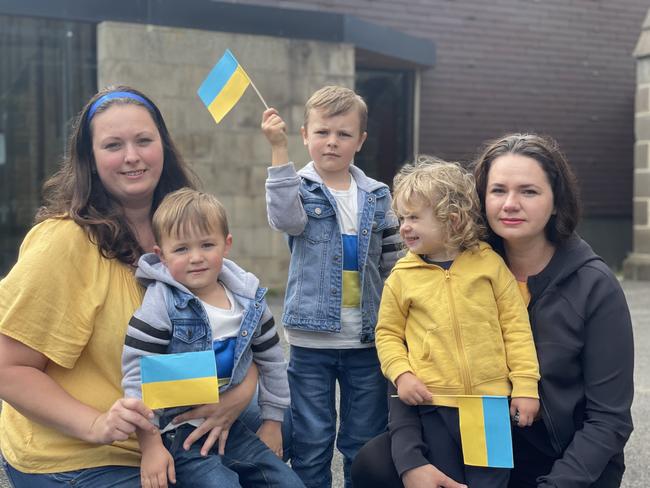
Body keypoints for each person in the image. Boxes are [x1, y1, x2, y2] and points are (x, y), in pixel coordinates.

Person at [0, 86, 259, 487]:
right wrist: (95, 424)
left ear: (163, 147)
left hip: (167, 430)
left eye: (143, 141)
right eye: (113, 145)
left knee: (278, 418)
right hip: (79, 452)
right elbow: (8, 368)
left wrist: (243, 392)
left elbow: (239, 323)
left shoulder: (183, 230)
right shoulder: (63, 243)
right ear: (90, 159)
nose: (132, 156)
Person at [351, 133, 634, 488]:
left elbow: (609, 420)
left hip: (561, 459)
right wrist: (411, 460)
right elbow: (409, 357)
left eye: (528, 191)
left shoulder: (594, 285)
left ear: (556, 201)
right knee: (375, 463)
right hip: (472, 430)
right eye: (498, 190)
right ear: (478, 200)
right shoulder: (449, 262)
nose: (510, 204)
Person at [261, 85, 402, 488]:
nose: (332, 142)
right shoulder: (299, 189)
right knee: (312, 440)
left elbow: (392, 263)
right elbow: (285, 218)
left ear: (360, 141)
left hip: (365, 340)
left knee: (364, 441)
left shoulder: (377, 195)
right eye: (322, 132)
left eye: (343, 134)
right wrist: (277, 151)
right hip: (311, 341)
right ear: (305, 135)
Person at [121, 188, 304, 488]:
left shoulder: (248, 300)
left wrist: (272, 424)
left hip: (233, 426)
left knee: (287, 482)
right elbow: (136, 376)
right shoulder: (160, 305)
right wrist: (150, 446)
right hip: (182, 435)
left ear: (226, 244)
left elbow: (271, 360)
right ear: (161, 255)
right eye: (181, 249)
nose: (196, 258)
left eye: (207, 245)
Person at [375, 157, 540, 487]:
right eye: (402, 217)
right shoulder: (402, 277)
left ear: (451, 220)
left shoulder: (489, 266)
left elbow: (516, 328)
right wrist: (401, 373)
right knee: (445, 481)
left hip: (490, 405)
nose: (404, 226)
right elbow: (388, 333)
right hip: (434, 404)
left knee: (490, 482)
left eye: (414, 218)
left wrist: (525, 386)